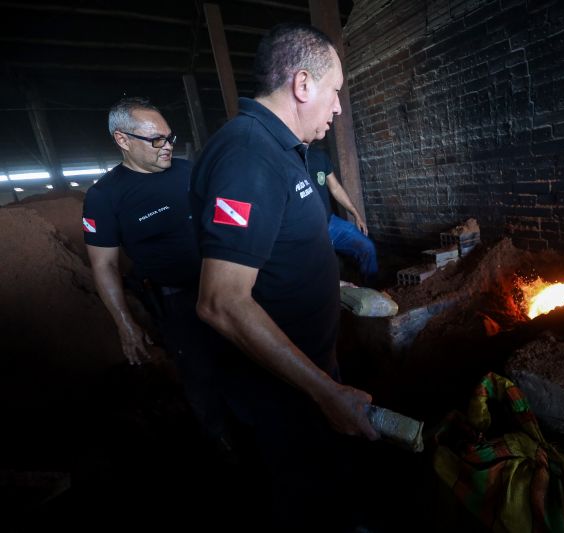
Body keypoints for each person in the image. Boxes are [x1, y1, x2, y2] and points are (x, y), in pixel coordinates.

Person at [188, 23, 380, 531]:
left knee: (332, 482)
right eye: (335, 91)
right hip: (283, 392)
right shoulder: (248, 157)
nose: (338, 108)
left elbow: (274, 248)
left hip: (308, 372)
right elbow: (222, 302)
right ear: (302, 85)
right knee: (304, 500)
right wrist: (325, 391)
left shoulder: (281, 149)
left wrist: (326, 285)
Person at [82, 96, 230, 448]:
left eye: (169, 137)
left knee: (246, 360)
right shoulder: (104, 197)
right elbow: (103, 264)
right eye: (156, 140)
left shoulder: (189, 171)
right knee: (201, 374)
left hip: (227, 287)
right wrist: (124, 322)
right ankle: (221, 442)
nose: (168, 147)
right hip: (178, 303)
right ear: (123, 140)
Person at [307, 143, 378, 285]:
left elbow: (336, 188)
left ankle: (372, 294)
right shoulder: (286, 158)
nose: (328, 122)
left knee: (367, 247)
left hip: (330, 223)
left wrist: (356, 214)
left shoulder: (319, 155)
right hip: (307, 233)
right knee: (323, 271)